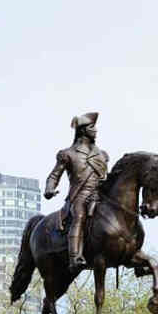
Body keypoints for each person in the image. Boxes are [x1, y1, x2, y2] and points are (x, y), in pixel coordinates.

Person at [44, 112, 109, 269]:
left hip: (99, 196)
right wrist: (50, 189)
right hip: (79, 196)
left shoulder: (102, 155)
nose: (96, 131)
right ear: (83, 130)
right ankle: (75, 256)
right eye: (92, 127)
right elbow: (54, 175)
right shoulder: (68, 154)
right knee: (79, 216)